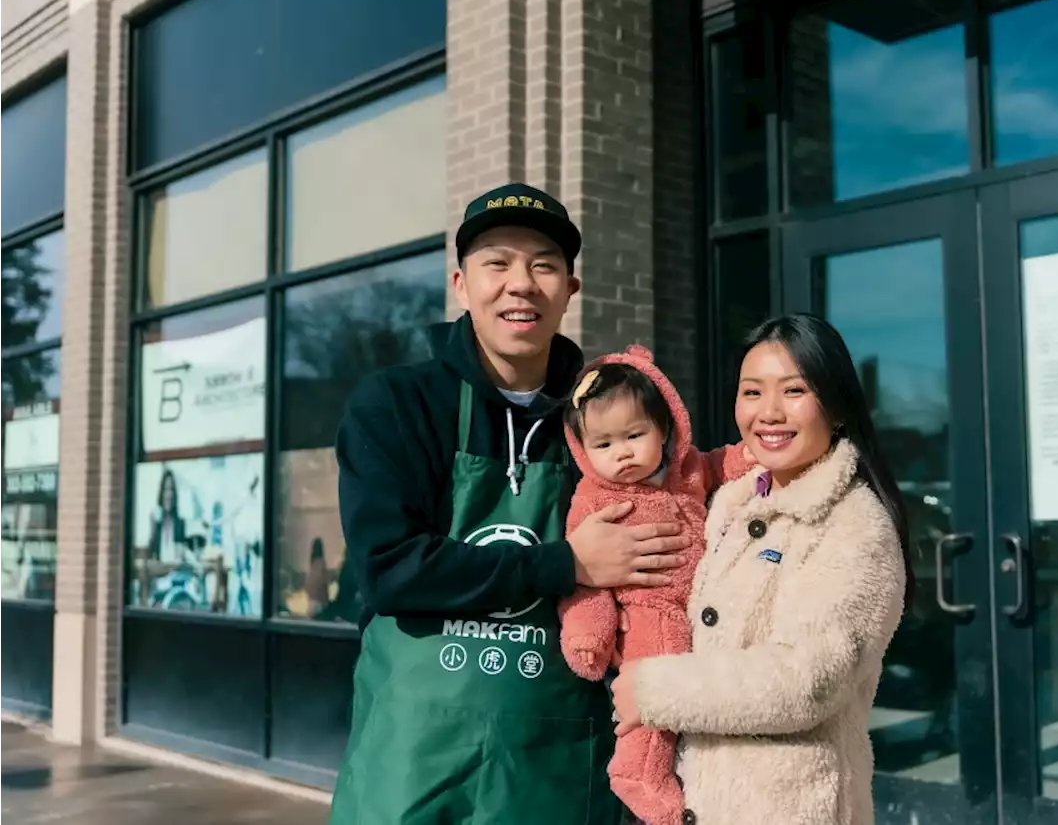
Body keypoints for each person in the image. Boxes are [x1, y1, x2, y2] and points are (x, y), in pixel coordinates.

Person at [327, 183, 691, 825]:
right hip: (414, 763)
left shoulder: (607, 419)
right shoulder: (397, 404)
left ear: (569, 290)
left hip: (555, 763)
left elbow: (688, 514)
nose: (520, 283)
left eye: (543, 264)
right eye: (497, 263)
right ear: (461, 284)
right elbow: (388, 568)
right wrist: (567, 566)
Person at [610, 314, 915, 825]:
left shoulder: (856, 524)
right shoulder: (732, 502)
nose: (768, 413)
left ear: (836, 407)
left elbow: (807, 679)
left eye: (794, 391)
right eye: (752, 392)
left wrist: (654, 689)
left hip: (789, 804)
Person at [558, 345, 752, 825]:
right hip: (649, 613)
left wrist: (751, 455)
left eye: (634, 435)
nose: (621, 452)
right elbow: (583, 579)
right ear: (582, 450)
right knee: (651, 695)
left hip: (704, 604)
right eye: (602, 444)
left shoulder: (686, 471)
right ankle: (639, 771)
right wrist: (589, 633)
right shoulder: (593, 497)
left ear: (664, 429)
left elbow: (718, 464)